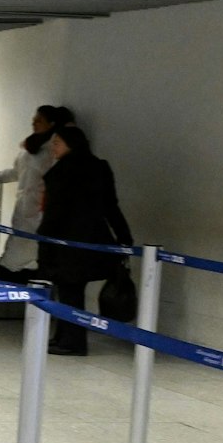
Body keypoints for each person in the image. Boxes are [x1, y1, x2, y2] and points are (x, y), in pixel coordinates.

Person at [36, 123, 132, 355]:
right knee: (71, 290)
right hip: (93, 239)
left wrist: (43, 237)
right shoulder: (99, 167)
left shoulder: (62, 172)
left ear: (71, 144)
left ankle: (72, 341)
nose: (53, 149)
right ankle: (64, 337)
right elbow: (111, 206)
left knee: (69, 290)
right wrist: (124, 237)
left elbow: (55, 211)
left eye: (57, 143)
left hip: (66, 241)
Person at [0, 105, 64, 282]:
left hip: (39, 213)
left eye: (39, 120)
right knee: (17, 258)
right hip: (23, 212)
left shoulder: (52, 151)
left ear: (51, 123)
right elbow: (16, 173)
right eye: (34, 119)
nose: (34, 123)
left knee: (19, 261)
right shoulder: (28, 148)